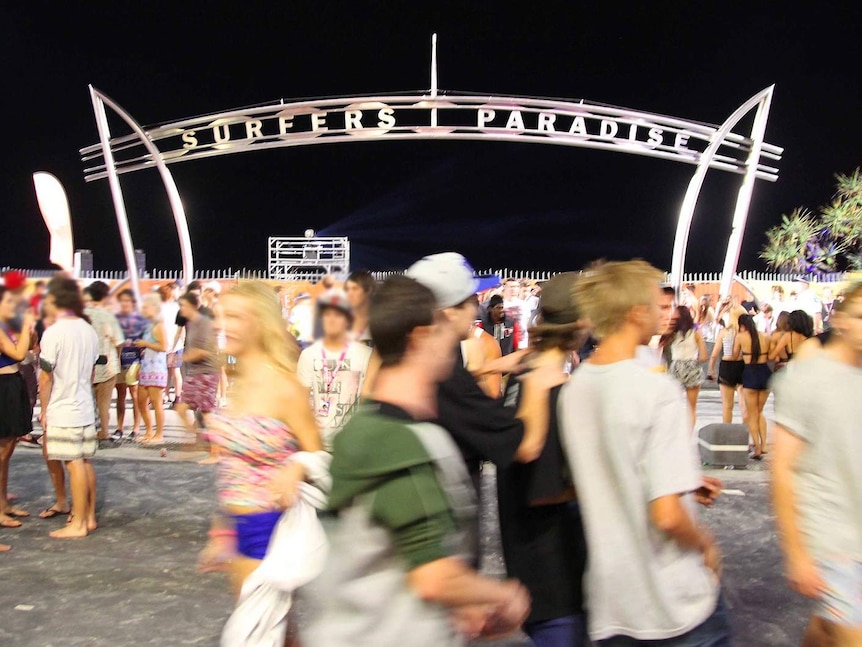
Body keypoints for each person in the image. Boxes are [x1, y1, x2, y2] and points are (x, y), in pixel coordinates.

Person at [300, 276, 531, 646]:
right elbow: (433, 576)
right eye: (442, 329)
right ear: (421, 338)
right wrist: (503, 595)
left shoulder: (366, 427)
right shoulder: (399, 440)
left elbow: (394, 554)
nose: (452, 341)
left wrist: (460, 606)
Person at [559, 260, 728, 646]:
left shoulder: (577, 386)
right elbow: (667, 517)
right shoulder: (655, 389)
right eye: (658, 305)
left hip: (612, 602)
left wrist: (684, 479)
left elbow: (610, 466)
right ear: (636, 313)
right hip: (673, 602)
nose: (665, 313)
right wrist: (706, 545)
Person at [198, 282, 323, 601]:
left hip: (268, 527)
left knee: (260, 631)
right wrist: (223, 529)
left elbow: (318, 453)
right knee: (272, 632)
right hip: (240, 524)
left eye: (236, 316)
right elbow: (234, 466)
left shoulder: (284, 387)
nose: (222, 324)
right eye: (222, 315)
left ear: (261, 323)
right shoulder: (238, 380)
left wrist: (296, 467)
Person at [497, 273, 589, 647]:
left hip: (532, 565)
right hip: (555, 579)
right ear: (581, 325)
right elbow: (544, 488)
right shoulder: (548, 392)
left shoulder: (524, 378)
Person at [772, 283, 862, 647]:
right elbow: (781, 468)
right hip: (831, 539)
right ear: (839, 320)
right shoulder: (805, 377)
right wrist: (796, 552)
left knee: (827, 631)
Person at [406, 254, 525, 494]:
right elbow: (511, 438)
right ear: (449, 313)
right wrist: (537, 381)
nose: (475, 309)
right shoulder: (443, 375)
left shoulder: (408, 357)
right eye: (470, 301)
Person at [38, 279, 100, 539]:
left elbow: (45, 376)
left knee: (73, 464)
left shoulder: (54, 332)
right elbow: (92, 370)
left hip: (64, 407)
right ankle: (89, 517)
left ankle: (78, 524)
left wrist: (43, 410)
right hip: (85, 404)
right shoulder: (88, 329)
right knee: (84, 462)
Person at [297, 289, 374, 451]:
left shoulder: (364, 355)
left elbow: (368, 401)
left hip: (353, 443)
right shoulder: (309, 355)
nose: (331, 320)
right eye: (326, 315)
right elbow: (301, 401)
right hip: (319, 443)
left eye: (337, 315)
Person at [0, 286, 35, 530]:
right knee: (1, 452)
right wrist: (25, 327)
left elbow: (30, 349)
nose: (15, 308)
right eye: (10, 304)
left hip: (13, 383)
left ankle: (3, 504)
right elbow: (19, 353)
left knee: (7, 451)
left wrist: (28, 330)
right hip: (2, 386)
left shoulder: (7, 327)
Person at [173, 292, 221, 443]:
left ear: (193, 306)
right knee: (181, 408)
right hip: (195, 373)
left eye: (183, 306)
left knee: (207, 414)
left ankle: (216, 450)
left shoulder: (203, 323)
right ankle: (194, 438)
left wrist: (182, 357)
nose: (181, 309)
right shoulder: (192, 324)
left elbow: (204, 351)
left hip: (207, 372)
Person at [83, 281, 124, 442]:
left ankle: (87, 432)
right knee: (104, 403)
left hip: (85, 365)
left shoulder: (82, 314)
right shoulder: (108, 316)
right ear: (105, 296)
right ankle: (104, 433)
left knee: (86, 402)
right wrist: (117, 358)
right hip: (107, 366)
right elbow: (119, 342)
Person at [734, 314, 772, 460]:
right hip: (765, 373)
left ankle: (756, 447)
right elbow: (770, 356)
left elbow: (735, 355)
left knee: (752, 414)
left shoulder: (740, 337)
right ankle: (764, 446)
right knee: (759, 411)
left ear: (742, 325)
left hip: (750, 373)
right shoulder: (765, 336)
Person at [114, 289, 148, 440]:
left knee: (134, 395)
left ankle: (136, 428)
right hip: (119, 360)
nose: (125, 303)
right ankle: (119, 427)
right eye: (122, 301)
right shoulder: (115, 319)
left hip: (134, 360)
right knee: (120, 394)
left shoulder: (140, 320)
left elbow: (146, 343)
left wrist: (142, 362)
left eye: (128, 301)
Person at [665, 306, 708, 426]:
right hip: (692, 366)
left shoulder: (672, 333)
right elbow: (704, 356)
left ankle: (674, 433)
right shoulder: (696, 332)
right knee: (691, 408)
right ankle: (688, 436)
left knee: (673, 404)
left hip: (676, 367)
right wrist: (695, 361)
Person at [135, 294, 168, 443]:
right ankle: (149, 431)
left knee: (156, 402)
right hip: (146, 366)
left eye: (145, 307)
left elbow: (164, 346)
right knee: (141, 401)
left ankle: (159, 434)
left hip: (156, 368)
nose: (143, 310)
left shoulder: (159, 325)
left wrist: (146, 344)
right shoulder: (148, 325)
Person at [707, 306, 747, 424]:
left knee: (727, 406)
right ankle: (747, 431)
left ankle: (727, 432)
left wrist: (711, 369)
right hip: (741, 365)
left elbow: (714, 354)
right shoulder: (744, 333)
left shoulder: (724, 332)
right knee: (744, 404)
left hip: (727, 367)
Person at [344, 270, 376, 347]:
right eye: (347, 289)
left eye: (355, 288)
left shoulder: (379, 322)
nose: (349, 294)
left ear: (369, 290)